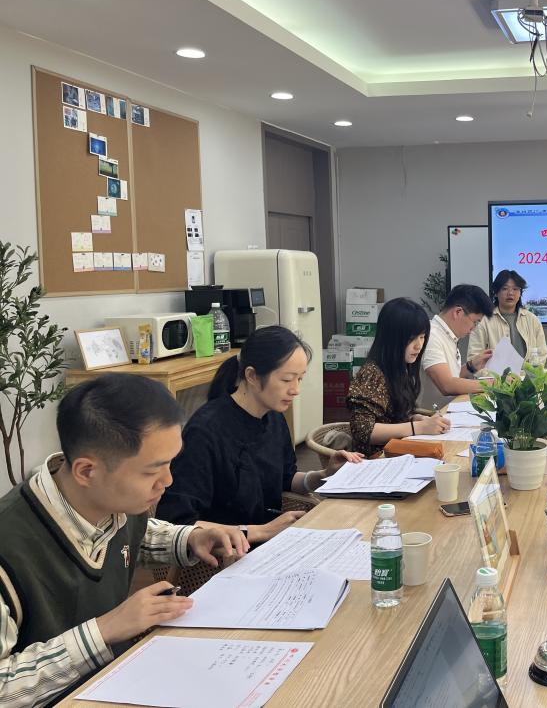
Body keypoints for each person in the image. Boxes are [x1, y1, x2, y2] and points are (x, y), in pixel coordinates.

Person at [0, 374, 248, 708]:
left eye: (171, 463)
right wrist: (105, 630)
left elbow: (129, 535)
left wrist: (191, 538)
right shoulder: (10, 547)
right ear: (87, 471)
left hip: (117, 680)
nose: (168, 480)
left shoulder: (112, 501)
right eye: (152, 471)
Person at [157, 326, 362, 541]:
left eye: (299, 379)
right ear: (252, 376)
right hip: (223, 555)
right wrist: (261, 531)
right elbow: (177, 522)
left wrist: (325, 475)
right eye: (286, 380)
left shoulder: (273, 417)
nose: (295, 390)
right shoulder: (205, 432)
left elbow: (286, 479)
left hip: (268, 544)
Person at [346, 297, 451, 455]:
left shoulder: (400, 367)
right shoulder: (372, 373)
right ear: (391, 339)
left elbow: (392, 416)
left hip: (398, 452)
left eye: (422, 337)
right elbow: (364, 430)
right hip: (376, 459)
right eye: (411, 339)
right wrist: (418, 427)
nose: (419, 345)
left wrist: (414, 419)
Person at [421, 284, 495, 401]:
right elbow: (447, 385)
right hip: (434, 411)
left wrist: (471, 366)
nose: (473, 329)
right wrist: (495, 384)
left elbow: (452, 375)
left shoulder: (448, 335)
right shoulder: (432, 336)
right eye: (475, 322)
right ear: (458, 312)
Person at [467, 270, 547, 365]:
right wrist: (490, 374)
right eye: (505, 288)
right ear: (496, 292)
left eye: (515, 289)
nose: (510, 293)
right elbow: (474, 357)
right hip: (494, 374)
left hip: (527, 374)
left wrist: (531, 373)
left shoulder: (532, 320)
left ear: (520, 293)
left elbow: (542, 353)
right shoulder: (483, 320)